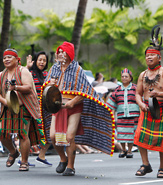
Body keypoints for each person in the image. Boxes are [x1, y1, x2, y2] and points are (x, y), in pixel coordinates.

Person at [42, 41, 114, 176]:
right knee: (52, 136)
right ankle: (63, 158)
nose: (60, 54)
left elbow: (87, 91)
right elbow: (46, 89)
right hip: (56, 106)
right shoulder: (54, 68)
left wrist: (73, 101)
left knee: (69, 137)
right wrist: (48, 85)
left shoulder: (78, 70)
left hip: (74, 107)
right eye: (59, 51)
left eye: (63, 52)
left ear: (70, 54)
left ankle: (71, 166)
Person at [134, 28, 163, 178]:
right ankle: (145, 164)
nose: (149, 57)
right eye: (147, 55)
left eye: (152, 55)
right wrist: (140, 104)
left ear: (159, 58)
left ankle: (162, 168)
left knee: (162, 139)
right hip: (146, 109)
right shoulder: (142, 74)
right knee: (139, 136)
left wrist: (158, 94)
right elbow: (138, 94)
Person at [0, 48, 45, 171]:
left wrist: (15, 87)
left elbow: (28, 87)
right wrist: (5, 102)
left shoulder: (23, 71)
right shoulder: (1, 75)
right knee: (1, 132)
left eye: (9, 57)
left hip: (23, 107)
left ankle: (24, 161)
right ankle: (13, 152)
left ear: (17, 60)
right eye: (5, 58)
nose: (6, 59)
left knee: (22, 133)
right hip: (8, 108)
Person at [25, 51, 52, 166]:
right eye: (40, 60)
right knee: (29, 134)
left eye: (44, 60)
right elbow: (18, 77)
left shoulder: (46, 74)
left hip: (45, 109)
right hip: (31, 109)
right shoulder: (29, 73)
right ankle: (23, 159)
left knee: (50, 133)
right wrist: (27, 66)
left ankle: (41, 155)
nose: (42, 62)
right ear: (35, 61)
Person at [106, 68, 140, 158]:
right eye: (122, 76)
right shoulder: (117, 90)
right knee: (121, 133)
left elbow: (141, 100)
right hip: (121, 114)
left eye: (126, 76)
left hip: (133, 115)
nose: (124, 78)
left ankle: (129, 151)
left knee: (131, 134)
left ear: (130, 78)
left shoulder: (135, 88)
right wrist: (111, 115)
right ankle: (123, 149)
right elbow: (112, 103)